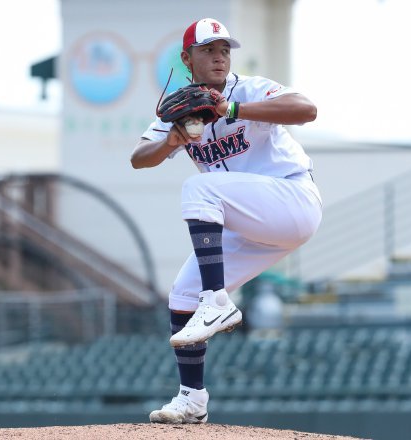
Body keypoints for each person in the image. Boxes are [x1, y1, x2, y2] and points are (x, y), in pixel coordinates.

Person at [131, 17, 322, 424]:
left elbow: (307, 109)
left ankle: (217, 301)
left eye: (224, 50)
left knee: (201, 188)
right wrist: (172, 140)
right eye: (208, 50)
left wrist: (231, 108)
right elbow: (138, 157)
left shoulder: (248, 89)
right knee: (183, 293)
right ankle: (192, 399)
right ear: (187, 58)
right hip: (252, 224)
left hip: (293, 200)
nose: (219, 57)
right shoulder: (182, 105)